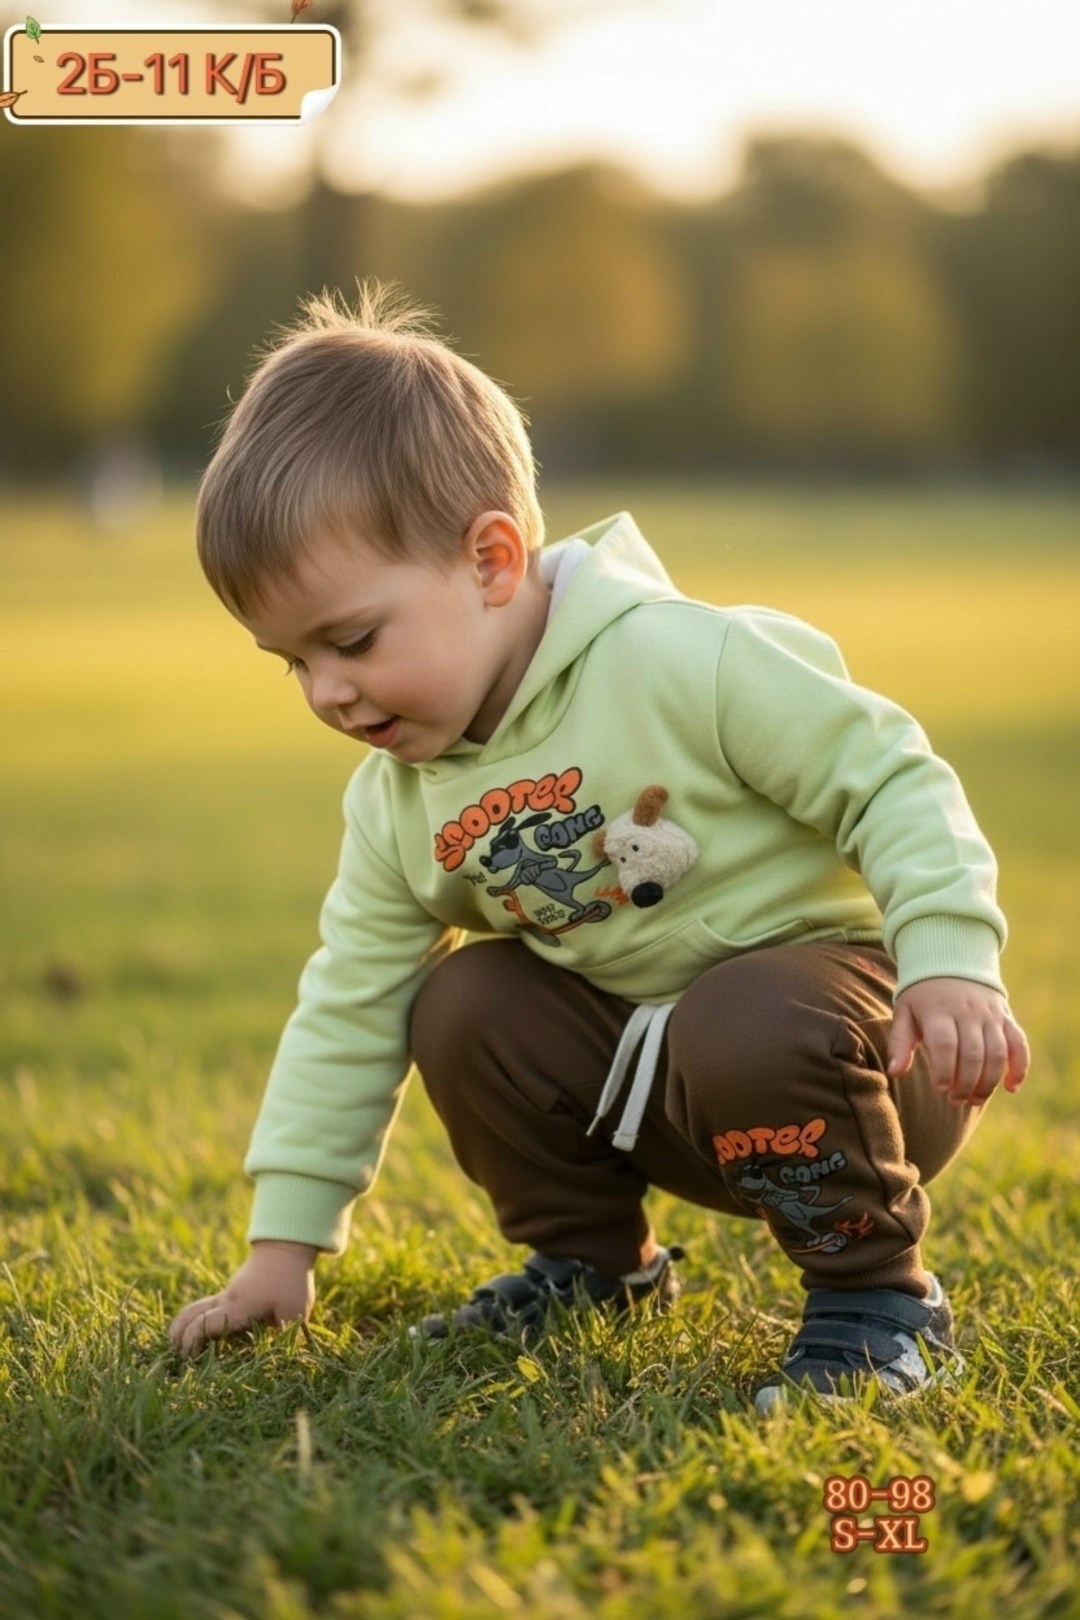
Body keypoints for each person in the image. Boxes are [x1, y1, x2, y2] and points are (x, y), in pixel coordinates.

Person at [168, 281, 1030, 1411]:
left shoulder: (684, 661)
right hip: (655, 1089)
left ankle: (879, 1299)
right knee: (460, 1004)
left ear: (489, 560)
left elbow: (889, 776)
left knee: (746, 1012)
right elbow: (350, 1001)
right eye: (292, 663)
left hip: (862, 1063)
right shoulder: (401, 799)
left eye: (353, 640)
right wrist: (282, 1247)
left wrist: (951, 957)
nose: (328, 692)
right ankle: (594, 1267)